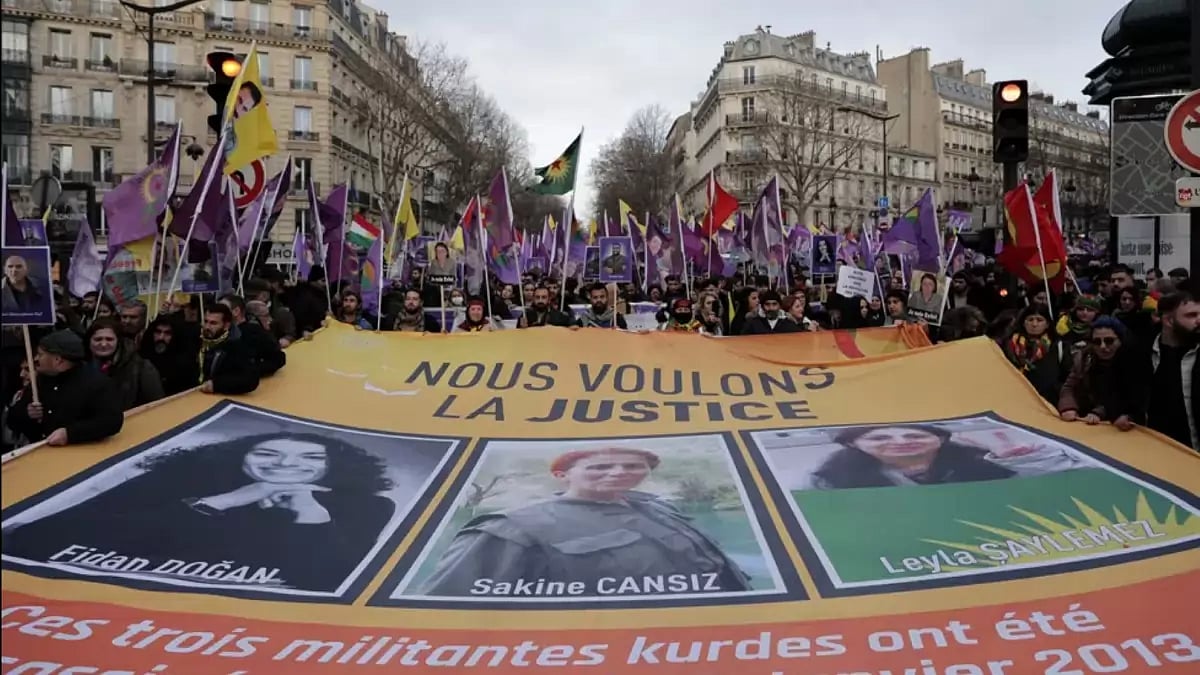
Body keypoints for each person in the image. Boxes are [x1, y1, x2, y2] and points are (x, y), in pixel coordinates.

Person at [0, 432, 395, 593]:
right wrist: (222, 502)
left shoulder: (366, 505)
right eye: (268, 454)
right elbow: (39, 535)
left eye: (310, 458)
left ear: (330, 468)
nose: (285, 466)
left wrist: (309, 510)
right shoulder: (170, 485)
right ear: (241, 458)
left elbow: (332, 579)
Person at [419, 447, 751, 596]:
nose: (619, 473)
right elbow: (444, 615)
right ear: (562, 475)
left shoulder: (660, 509)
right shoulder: (510, 529)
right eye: (600, 466)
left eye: (632, 466)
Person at [5, 329, 123, 446]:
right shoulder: (40, 381)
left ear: (58, 361)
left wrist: (69, 434)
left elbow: (111, 422)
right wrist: (27, 413)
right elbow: (11, 419)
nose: (36, 359)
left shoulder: (97, 384)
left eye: (41, 355)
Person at [806, 424, 1018, 489]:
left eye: (914, 435)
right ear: (854, 444)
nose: (901, 442)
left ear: (941, 439)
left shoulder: (985, 464)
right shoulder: (829, 477)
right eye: (879, 438)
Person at [1058, 317, 1143, 431]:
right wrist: (1068, 407)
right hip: (1086, 421)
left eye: (1109, 341)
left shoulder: (1133, 363)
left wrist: (1098, 412)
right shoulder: (1084, 359)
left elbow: (1123, 397)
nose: (1103, 346)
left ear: (1121, 340)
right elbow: (1069, 387)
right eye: (1097, 342)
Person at [84, 318, 164, 412]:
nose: (103, 344)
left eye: (109, 339)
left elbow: (157, 405)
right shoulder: (80, 365)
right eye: (98, 339)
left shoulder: (141, 368)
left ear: (118, 341)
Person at [198, 304, 260, 395]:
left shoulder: (236, 346)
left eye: (213, 323)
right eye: (206, 321)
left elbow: (250, 379)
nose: (207, 327)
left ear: (226, 325)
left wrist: (216, 385)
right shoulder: (198, 338)